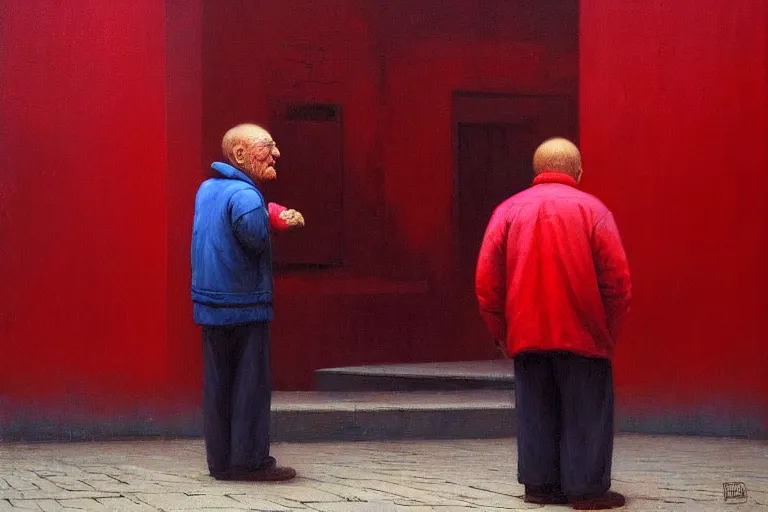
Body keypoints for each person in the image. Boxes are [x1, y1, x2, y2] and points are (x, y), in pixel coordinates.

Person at [475, 138, 632, 509]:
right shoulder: (594, 211)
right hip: (584, 334)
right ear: (578, 172)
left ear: (536, 171)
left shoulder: (507, 211)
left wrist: (502, 332)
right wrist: (606, 331)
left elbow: (487, 282)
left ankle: (540, 487)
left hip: (526, 334)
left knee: (535, 409)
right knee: (587, 411)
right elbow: (619, 284)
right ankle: (587, 490)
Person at [191, 123, 303, 481]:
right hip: (245, 304)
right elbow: (254, 239)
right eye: (267, 147)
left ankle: (220, 462)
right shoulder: (246, 196)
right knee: (250, 387)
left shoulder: (206, 189)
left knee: (218, 386)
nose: (276, 154)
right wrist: (274, 218)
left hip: (210, 304)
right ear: (240, 155)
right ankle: (251, 461)